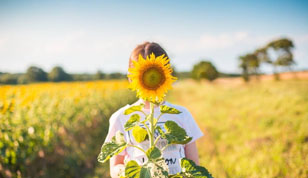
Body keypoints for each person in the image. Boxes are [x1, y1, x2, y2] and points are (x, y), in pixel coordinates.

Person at [104, 42, 204, 178]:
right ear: (131, 77)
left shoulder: (182, 115)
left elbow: (193, 165)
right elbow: (115, 167)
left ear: (167, 73)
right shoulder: (121, 117)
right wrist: (129, 173)